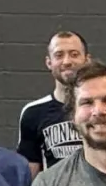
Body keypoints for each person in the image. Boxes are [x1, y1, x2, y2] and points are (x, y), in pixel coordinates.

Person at [18, 28, 88, 174]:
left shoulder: (101, 109)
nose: (67, 61)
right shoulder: (33, 113)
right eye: (59, 55)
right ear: (49, 62)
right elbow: (29, 172)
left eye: (74, 54)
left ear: (87, 60)